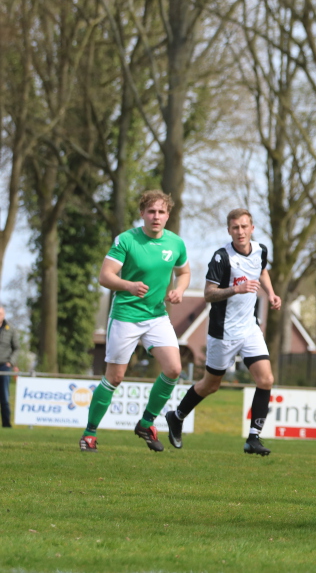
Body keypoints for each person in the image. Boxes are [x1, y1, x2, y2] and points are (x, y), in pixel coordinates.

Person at [164, 208, 281, 455]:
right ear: (229, 230)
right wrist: (236, 289)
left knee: (266, 379)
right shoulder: (221, 257)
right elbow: (208, 294)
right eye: (235, 227)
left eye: (244, 226)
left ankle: (253, 438)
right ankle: (177, 416)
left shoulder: (261, 250)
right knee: (211, 385)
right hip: (224, 332)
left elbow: (261, 270)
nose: (240, 231)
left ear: (252, 228)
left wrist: (271, 293)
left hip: (250, 328)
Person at [83, 191, 191, 452]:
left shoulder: (176, 243)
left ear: (168, 215)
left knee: (174, 369)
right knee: (115, 377)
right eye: (151, 211)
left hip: (157, 316)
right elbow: (105, 276)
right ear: (142, 213)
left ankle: (146, 423)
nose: (156, 216)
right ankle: (89, 434)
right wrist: (128, 285)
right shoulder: (126, 240)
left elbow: (184, 272)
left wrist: (179, 290)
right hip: (126, 316)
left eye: (161, 212)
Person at [0, 304, 19, 428]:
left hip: (4, 366)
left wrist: (10, 362)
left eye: (0, 314)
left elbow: (16, 348)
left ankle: (6, 424)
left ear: (4, 315)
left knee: (4, 396)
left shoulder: (10, 329)